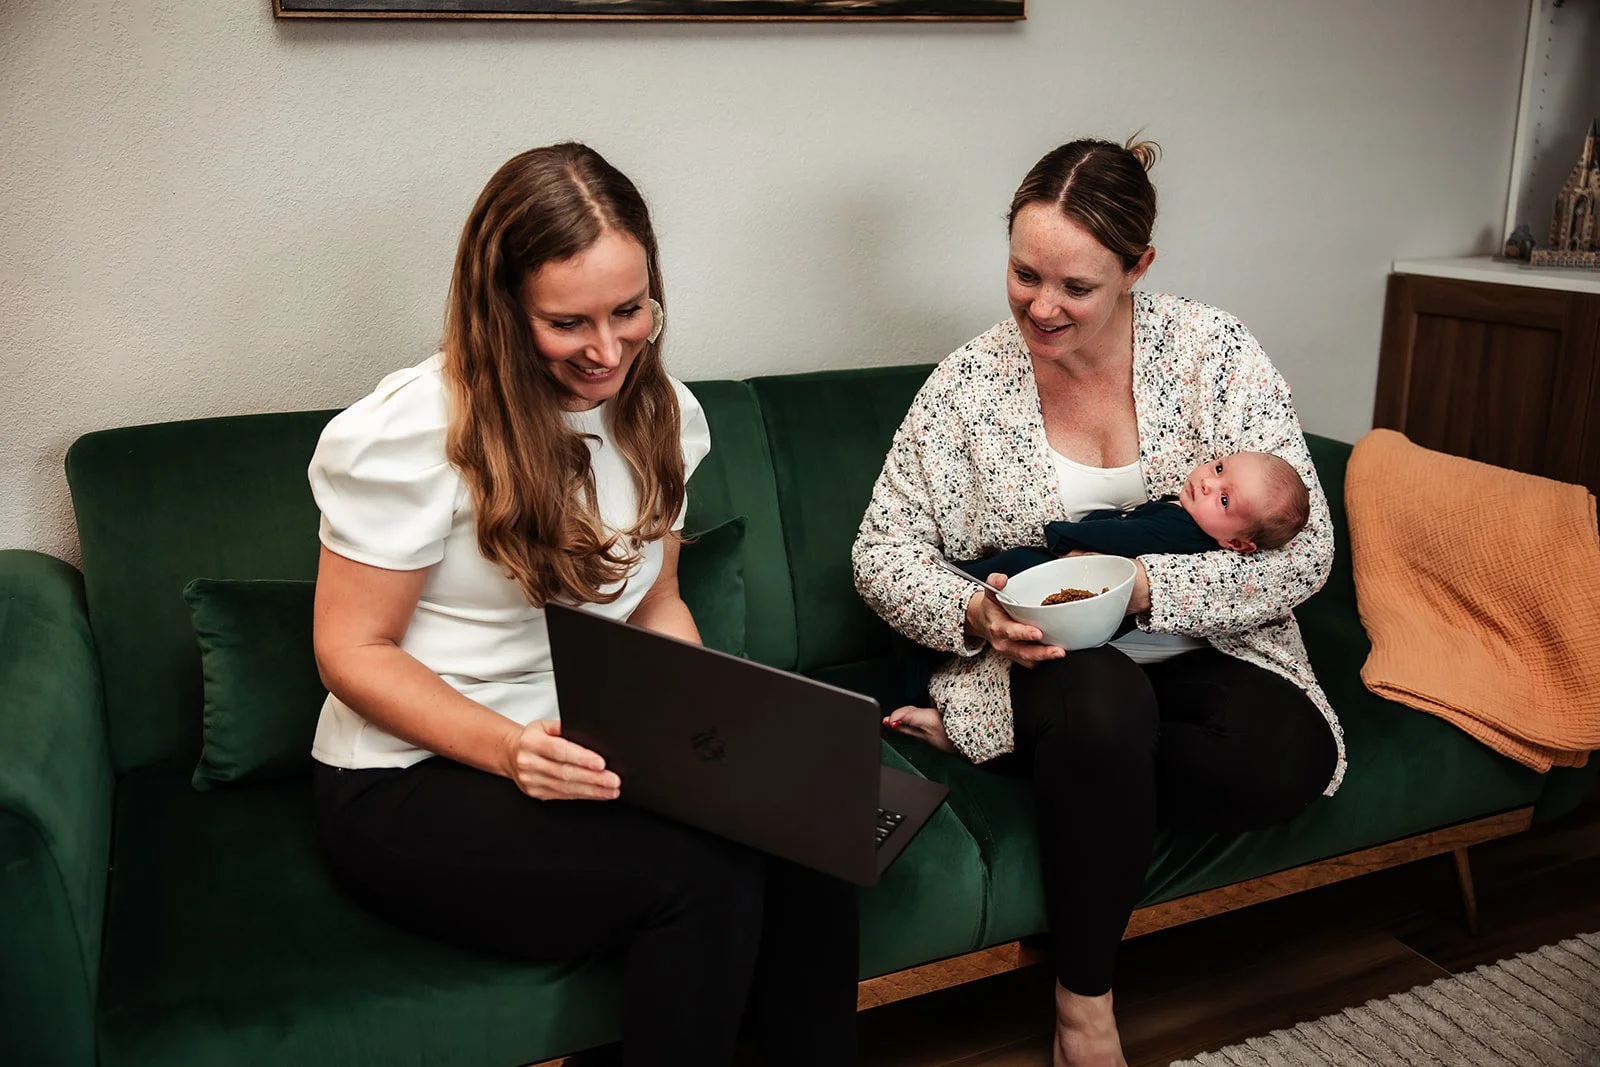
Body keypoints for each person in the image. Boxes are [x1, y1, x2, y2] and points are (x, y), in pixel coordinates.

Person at [308, 143, 857, 1067]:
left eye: (630, 310)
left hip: (593, 746)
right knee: (703, 880)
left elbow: (658, 606)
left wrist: (712, 745)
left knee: (812, 843)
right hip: (412, 774)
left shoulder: (663, 414)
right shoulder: (410, 429)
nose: (608, 351)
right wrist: (512, 750)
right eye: (567, 323)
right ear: (500, 310)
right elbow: (350, 651)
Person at [852, 137, 1345, 1067]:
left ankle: (1076, 772)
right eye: (1023, 273)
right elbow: (880, 553)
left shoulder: (1216, 353)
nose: (1042, 306)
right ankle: (1085, 1004)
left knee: (1290, 755)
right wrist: (976, 614)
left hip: (1214, 651)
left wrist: (1153, 587)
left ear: (1138, 268)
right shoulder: (966, 386)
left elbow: (1306, 547)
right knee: (1104, 706)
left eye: (1075, 287)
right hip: (1047, 666)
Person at [953, 449, 1313, 580]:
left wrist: (1062, 533)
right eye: (1219, 469)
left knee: (1014, 565)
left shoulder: (1181, 532)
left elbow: (1121, 536)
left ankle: (956, 579)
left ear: (1234, 542)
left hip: (1075, 573)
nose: (1206, 484)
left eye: (1224, 501)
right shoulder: (1187, 514)